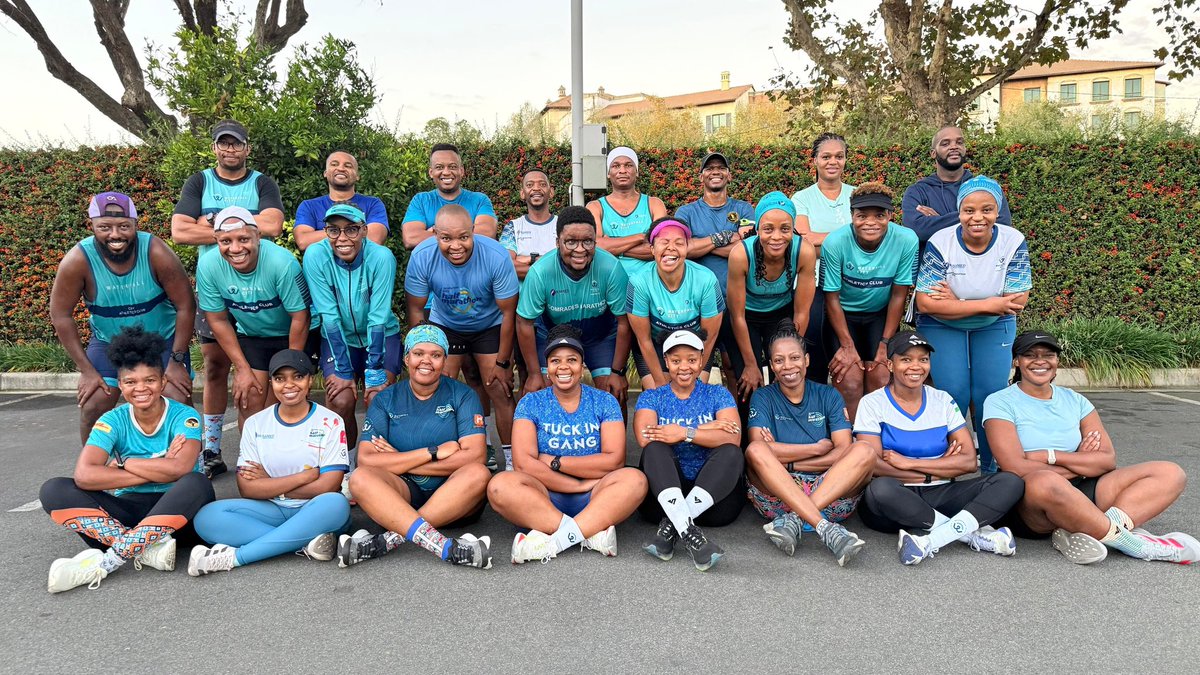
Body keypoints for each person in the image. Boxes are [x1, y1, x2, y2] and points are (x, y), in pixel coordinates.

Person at [984, 331, 1199, 565]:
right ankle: (1135, 545)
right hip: (1030, 501)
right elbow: (1014, 467)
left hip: (1080, 487)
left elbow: (1106, 460)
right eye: (1030, 355)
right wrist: (1081, 462)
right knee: (1046, 480)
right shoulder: (1000, 402)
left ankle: (1091, 528)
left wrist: (1050, 455)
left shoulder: (1075, 400)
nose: (1040, 361)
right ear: (1016, 361)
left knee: (1170, 472)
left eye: (1048, 355)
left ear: (1057, 361)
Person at [39, 326, 215, 593]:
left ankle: (111, 559)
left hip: (180, 515)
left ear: (163, 381)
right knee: (54, 489)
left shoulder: (184, 416)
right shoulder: (112, 420)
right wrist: (160, 466)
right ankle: (145, 548)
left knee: (196, 482)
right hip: (128, 511)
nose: (140, 388)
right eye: (131, 382)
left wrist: (125, 463)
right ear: (120, 385)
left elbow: (180, 469)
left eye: (149, 380)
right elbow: (85, 476)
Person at [171, 119, 285, 477]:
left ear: (246, 148)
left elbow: (273, 225)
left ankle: (267, 448)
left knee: (259, 374)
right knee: (216, 367)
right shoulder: (199, 181)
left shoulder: (262, 182)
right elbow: (179, 231)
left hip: (255, 285)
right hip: (215, 284)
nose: (230, 149)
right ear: (215, 148)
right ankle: (212, 448)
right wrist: (240, 227)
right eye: (224, 143)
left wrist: (212, 223)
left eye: (236, 143)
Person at [854, 331, 1026, 565]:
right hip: (895, 497)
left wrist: (909, 463)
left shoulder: (942, 399)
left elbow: (968, 462)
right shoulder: (872, 403)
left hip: (941, 492)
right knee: (880, 488)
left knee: (1010, 481)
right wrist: (941, 467)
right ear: (890, 365)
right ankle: (969, 534)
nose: (916, 366)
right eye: (906, 359)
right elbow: (874, 466)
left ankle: (930, 540)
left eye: (923, 359)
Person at [337, 325, 493, 570]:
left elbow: (475, 457)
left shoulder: (464, 395)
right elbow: (365, 460)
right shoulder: (385, 399)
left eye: (435, 355)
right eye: (419, 353)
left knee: (478, 474)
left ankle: (392, 537)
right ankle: (444, 547)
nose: (426, 361)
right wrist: (430, 452)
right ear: (406, 358)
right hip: (403, 491)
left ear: (445, 360)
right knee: (360, 478)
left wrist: (399, 460)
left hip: (455, 494)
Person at [487, 324, 648, 563]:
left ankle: (555, 540)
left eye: (572, 360)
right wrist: (577, 484)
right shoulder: (531, 403)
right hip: (544, 494)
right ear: (547, 367)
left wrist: (555, 461)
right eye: (555, 361)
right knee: (499, 486)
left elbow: (614, 461)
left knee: (635, 480)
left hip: (596, 493)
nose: (563, 367)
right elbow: (524, 465)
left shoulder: (604, 401)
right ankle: (589, 533)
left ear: (582, 366)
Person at [187, 350, 352, 575]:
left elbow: (328, 486)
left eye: (298, 376)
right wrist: (303, 477)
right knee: (207, 517)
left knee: (336, 503)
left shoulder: (330, 421)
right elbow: (248, 488)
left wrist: (271, 484)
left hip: (315, 509)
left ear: (310, 380)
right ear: (271, 383)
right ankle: (304, 542)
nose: (289, 385)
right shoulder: (256, 423)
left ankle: (236, 557)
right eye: (280, 378)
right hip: (272, 508)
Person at [50, 192, 196, 443]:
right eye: (105, 227)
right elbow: (61, 315)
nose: (115, 235)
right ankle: (95, 464)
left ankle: (190, 461)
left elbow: (186, 305)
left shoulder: (155, 251)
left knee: (177, 396)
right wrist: (86, 371)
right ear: (92, 225)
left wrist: (176, 361)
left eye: (124, 226)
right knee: (94, 403)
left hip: (161, 339)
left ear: (135, 224)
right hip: (109, 342)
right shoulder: (78, 260)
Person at [915, 176, 1031, 474]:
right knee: (952, 393)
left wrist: (957, 301)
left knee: (990, 396)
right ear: (959, 211)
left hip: (993, 325)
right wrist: (988, 304)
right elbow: (926, 303)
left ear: (997, 211)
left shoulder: (1012, 240)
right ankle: (946, 468)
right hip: (942, 324)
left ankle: (991, 471)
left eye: (987, 210)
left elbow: (1016, 300)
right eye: (969, 210)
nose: (977, 217)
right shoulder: (941, 241)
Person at [743, 323, 872, 565]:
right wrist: (816, 449)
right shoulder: (763, 396)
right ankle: (826, 529)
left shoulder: (828, 395)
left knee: (863, 450)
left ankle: (794, 520)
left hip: (830, 490)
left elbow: (843, 449)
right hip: (778, 495)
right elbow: (758, 449)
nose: (787, 366)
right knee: (756, 450)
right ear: (771, 366)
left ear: (807, 360)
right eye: (779, 360)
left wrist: (785, 460)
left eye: (794, 358)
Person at [405, 204, 520, 470]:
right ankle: (474, 449)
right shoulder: (422, 255)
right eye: (446, 238)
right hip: (446, 324)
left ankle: (513, 460)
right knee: (438, 386)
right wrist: (421, 353)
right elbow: (415, 308)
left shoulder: (496, 255)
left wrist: (504, 362)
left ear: (473, 232)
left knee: (499, 387)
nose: (456, 246)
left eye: (463, 237)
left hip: (490, 324)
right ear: (435, 234)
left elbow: (509, 313)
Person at [195, 206, 318, 429]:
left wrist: (291, 368)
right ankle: (249, 452)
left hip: (294, 332)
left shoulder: (282, 263)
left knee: (278, 402)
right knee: (249, 397)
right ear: (216, 240)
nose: (235, 248)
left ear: (258, 236)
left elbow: (301, 317)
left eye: (243, 239)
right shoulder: (208, 265)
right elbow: (218, 320)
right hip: (254, 334)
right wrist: (241, 369)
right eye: (226, 241)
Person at [634, 329, 742, 571]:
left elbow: (733, 437)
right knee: (654, 449)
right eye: (676, 361)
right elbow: (645, 436)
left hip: (713, 500)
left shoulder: (717, 393)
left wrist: (684, 432)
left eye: (692, 360)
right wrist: (710, 427)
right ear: (666, 362)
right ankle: (692, 535)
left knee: (731, 453)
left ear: (702, 360)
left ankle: (672, 527)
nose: (684, 367)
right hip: (663, 497)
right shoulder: (652, 397)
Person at [302, 204, 402, 452]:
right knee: (340, 399)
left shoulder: (381, 257)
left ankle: (376, 462)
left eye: (351, 229)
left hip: (380, 335)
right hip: (340, 338)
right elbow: (329, 316)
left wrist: (374, 369)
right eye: (334, 230)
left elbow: (378, 317)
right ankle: (344, 462)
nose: (342, 238)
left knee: (378, 397)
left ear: (364, 230)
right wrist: (344, 372)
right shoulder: (315, 255)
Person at [516, 206, 631, 412]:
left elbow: (624, 322)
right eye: (570, 242)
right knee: (542, 392)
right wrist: (534, 374)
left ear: (595, 241)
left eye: (587, 241)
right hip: (552, 335)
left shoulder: (611, 267)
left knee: (613, 393)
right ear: (557, 242)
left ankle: (613, 435)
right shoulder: (540, 271)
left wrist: (618, 372)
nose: (580, 249)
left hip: (600, 336)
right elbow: (524, 322)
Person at [819, 182, 918, 421]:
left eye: (879, 215)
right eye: (862, 216)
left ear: (890, 216)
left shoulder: (906, 240)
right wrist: (847, 345)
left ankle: (878, 436)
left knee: (882, 377)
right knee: (850, 381)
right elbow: (831, 297)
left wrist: (885, 343)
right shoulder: (835, 242)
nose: (870, 222)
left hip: (880, 315)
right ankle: (851, 438)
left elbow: (899, 294)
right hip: (843, 316)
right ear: (852, 215)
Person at [676, 151, 756, 393]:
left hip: (735, 300)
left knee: (733, 366)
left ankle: (735, 416)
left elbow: (747, 249)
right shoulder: (686, 212)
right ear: (701, 177)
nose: (715, 172)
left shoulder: (744, 209)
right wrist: (724, 237)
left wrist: (701, 244)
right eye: (709, 168)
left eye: (721, 167)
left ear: (729, 175)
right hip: (696, 302)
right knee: (697, 365)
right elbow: (683, 249)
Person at [725, 192, 816, 402]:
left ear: (793, 228)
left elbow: (802, 312)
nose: (776, 237)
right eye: (768, 229)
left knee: (788, 378)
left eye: (785, 229)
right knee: (748, 384)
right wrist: (751, 365)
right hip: (745, 318)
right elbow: (737, 316)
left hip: (781, 316)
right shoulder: (741, 254)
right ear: (757, 229)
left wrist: (791, 354)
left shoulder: (804, 251)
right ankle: (748, 423)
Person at [627, 217, 724, 390]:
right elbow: (644, 340)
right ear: (652, 249)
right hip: (655, 346)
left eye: (679, 243)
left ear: (687, 248)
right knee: (658, 396)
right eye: (664, 242)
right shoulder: (639, 281)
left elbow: (709, 338)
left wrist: (693, 380)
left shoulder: (706, 279)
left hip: (695, 346)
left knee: (692, 395)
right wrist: (660, 384)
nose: (671, 248)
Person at [790, 132, 855, 385]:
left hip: (851, 282)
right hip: (812, 283)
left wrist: (821, 240)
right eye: (826, 156)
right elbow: (804, 242)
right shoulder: (802, 198)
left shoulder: (857, 195)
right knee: (813, 350)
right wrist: (850, 236)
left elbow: (871, 238)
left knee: (847, 358)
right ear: (815, 160)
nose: (833, 162)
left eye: (839, 156)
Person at [901, 125, 1012, 250]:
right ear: (933, 153)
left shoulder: (986, 189)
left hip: (980, 260)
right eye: (945, 143)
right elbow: (917, 230)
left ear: (965, 149)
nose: (954, 146)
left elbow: (1002, 226)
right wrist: (978, 217)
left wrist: (938, 220)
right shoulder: (917, 191)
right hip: (934, 261)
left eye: (959, 142)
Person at [587, 146, 668, 279]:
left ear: (637, 172)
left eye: (629, 165)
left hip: (647, 282)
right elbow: (596, 247)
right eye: (616, 166)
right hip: (607, 281)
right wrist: (640, 237)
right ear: (608, 173)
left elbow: (661, 248)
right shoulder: (595, 207)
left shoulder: (654, 204)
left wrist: (613, 245)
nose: (622, 170)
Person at [401, 143, 498, 248]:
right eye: (439, 167)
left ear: (461, 171)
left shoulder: (479, 200)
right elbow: (411, 238)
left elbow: (487, 233)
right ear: (431, 172)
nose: (446, 172)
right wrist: (465, 233)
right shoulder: (420, 201)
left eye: (452, 167)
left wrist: (436, 232)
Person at [293, 151, 389, 251]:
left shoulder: (373, 204)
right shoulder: (309, 206)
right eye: (334, 164)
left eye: (348, 166)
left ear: (357, 175)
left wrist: (329, 233)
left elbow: (374, 239)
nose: (341, 168)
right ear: (325, 173)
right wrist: (353, 231)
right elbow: (303, 241)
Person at [501, 169, 559, 280]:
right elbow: (505, 265)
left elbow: (568, 262)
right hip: (524, 291)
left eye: (542, 184)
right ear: (522, 193)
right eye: (529, 185)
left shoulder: (563, 225)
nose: (536, 188)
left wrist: (526, 260)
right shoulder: (512, 227)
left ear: (551, 192)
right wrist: (538, 259)